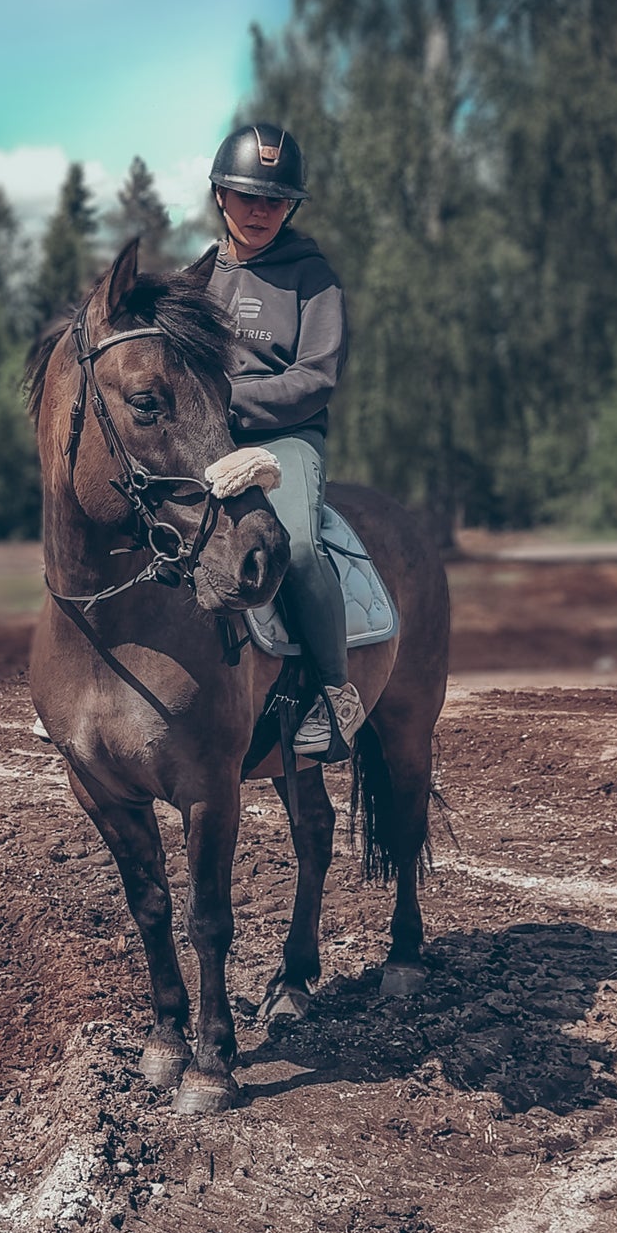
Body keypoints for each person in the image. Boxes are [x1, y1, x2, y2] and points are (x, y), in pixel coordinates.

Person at [205, 121, 364, 760]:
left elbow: (316, 378)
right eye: (248, 196)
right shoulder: (196, 279)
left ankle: (335, 695)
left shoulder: (313, 277)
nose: (261, 210)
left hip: (285, 443)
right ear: (221, 195)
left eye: (275, 199)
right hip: (209, 440)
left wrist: (230, 403)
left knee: (294, 546)